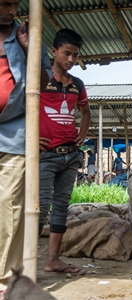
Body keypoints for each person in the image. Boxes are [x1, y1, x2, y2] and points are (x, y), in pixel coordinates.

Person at [0, 0, 52, 295]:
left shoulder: (26, 34)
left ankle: (6, 280)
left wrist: (29, 49)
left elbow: (43, 85)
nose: (12, 9)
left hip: (13, 133)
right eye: (5, 3)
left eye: (15, 3)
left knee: (10, 208)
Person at [38, 28, 90, 276]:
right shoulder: (40, 78)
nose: (71, 60)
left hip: (71, 155)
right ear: (54, 51)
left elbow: (86, 112)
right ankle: (22, 261)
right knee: (37, 207)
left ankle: (52, 260)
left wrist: (82, 133)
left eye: (75, 55)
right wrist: (30, 138)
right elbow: (20, 107)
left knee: (61, 207)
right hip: (45, 154)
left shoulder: (77, 84)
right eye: (66, 54)